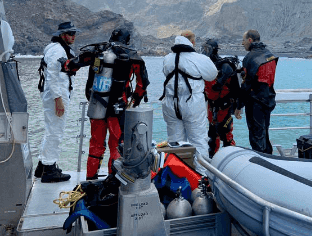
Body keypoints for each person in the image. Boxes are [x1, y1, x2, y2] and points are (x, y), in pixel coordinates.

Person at [68, 27, 149, 179]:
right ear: (127, 40)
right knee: (116, 145)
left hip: (96, 105)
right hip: (117, 108)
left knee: (96, 145)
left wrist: (65, 65)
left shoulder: (98, 52)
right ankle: (113, 179)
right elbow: (142, 83)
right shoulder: (132, 56)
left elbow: (73, 64)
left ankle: (91, 178)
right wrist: (135, 101)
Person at [160, 31, 217, 159]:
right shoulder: (200, 58)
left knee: (174, 142)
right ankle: (201, 175)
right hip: (192, 103)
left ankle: (177, 174)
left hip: (170, 103)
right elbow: (212, 75)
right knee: (198, 140)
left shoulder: (167, 58)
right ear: (192, 42)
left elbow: (166, 73)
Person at [36, 21, 78, 183]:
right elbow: (52, 76)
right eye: (70, 33)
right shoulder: (58, 50)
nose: (73, 36)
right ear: (62, 35)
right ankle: (50, 169)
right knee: (56, 132)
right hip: (57, 95)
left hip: (55, 94)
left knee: (51, 129)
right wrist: (58, 99)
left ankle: (43, 165)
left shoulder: (55, 48)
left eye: (74, 33)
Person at [202, 38, 244, 157]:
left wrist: (238, 107)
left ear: (213, 50)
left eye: (207, 49)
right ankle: (212, 159)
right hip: (211, 106)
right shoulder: (206, 66)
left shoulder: (226, 66)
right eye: (203, 49)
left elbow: (236, 90)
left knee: (225, 135)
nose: (205, 52)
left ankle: (231, 159)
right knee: (212, 134)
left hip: (224, 106)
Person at [241, 30, 278, 154]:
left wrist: (238, 105)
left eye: (244, 40)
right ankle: (269, 157)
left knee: (256, 135)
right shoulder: (270, 55)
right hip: (268, 99)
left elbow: (247, 84)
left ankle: (261, 162)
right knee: (264, 132)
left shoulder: (250, 57)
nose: (242, 43)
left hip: (255, 101)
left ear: (250, 40)